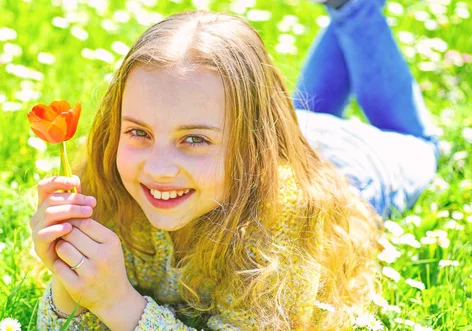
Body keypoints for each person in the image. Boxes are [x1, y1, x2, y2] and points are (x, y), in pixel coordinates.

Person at [31, 0, 440, 329]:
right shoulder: (107, 189)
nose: (157, 169)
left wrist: (118, 302)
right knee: (300, 112)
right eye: (139, 133)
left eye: (194, 139)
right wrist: (69, 279)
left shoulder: (288, 220)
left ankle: (356, 10)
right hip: (289, 128)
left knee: (419, 145)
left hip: (357, 162)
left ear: (255, 148)